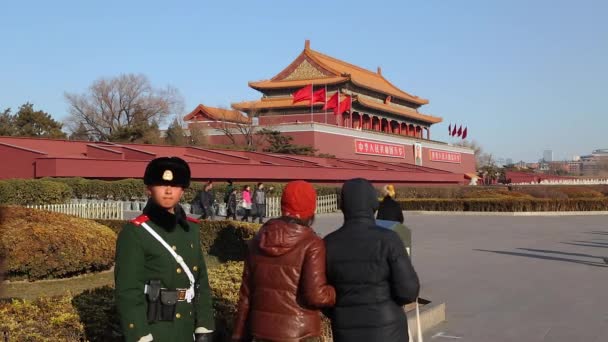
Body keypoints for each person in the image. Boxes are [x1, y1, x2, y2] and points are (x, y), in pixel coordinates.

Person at [115, 157, 214, 342]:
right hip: (156, 328)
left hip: (187, 326)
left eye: (175, 185)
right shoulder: (136, 232)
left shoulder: (191, 229)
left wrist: (204, 325)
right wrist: (140, 335)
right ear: (149, 189)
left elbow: (201, 281)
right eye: (161, 185)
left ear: (182, 191)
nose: (168, 191)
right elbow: (128, 291)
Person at [232, 180, 336, 342]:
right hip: (301, 333)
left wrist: (238, 335)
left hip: (261, 332)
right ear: (310, 210)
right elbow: (316, 296)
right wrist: (335, 292)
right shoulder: (312, 243)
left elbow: (246, 295)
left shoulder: (259, 239)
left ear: (283, 205)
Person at [324, 178, 420, 342]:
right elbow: (409, 291)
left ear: (343, 206)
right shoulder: (389, 239)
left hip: (346, 330)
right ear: (373, 204)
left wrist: (342, 311)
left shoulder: (328, 243)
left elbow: (321, 295)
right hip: (389, 330)